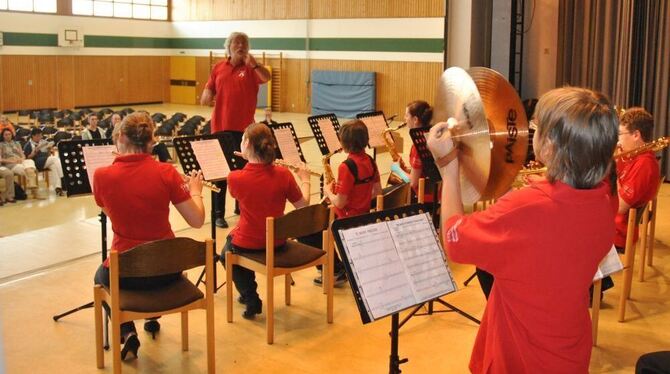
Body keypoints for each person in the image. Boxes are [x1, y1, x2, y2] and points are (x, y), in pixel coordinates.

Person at [427, 87, 619, 373]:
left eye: (536, 126)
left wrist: (449, 167)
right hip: (569, 348)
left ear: (550, 145)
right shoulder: (606, 199)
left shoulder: (526, 207)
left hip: (520, 355)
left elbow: (455, 238)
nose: (533, 131)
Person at [92, 112, 205, 360]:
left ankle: (126, 330)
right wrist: (195, 190)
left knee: (100, 276)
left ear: (120, 137)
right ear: (151, 141)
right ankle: (152, 316)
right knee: (153, 258)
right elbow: (196, 221)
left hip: (126, 274)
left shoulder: (101, 175)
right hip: (167, 270)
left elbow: (108, 210)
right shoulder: (167, 172)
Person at [221, 122, 311, 319]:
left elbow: (245, 190)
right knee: (236, 243)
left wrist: (248, 162)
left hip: (248, 242)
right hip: (277, 241)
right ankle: (249, 293)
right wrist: (305, 179)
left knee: (225, 253)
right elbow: (303, 206)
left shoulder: (235, 177)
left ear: (247, 145)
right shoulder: (283, 174)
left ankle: (250, 296)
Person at [200, 31, 271, 228]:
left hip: (244, 130)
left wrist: (254, 64)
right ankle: (218, 214)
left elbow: (266, 77)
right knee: (220, 174)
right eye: (237, 43)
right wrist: (206, 94)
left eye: (244, 43)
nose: (241, 46)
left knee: (244, 172)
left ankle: (241, 207)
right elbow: (209, 89)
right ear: (229, 47)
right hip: (220, 127)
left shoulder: (251, 68)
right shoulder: (218, 68)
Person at [317, 119, 382, 286]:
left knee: (315, 224)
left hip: (347, 218)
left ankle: (337, 271)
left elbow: (339, 203)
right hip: (364, 214)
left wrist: (328, 191)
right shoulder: (370, 160)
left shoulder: (346, 166)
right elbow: (377, 192)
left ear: (343, 142)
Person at [614, 107, 660, 250]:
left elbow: (620, 207)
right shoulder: (633, 156)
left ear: (636, 135)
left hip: (617, 231)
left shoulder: (644, 164)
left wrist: (610, 173)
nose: (618, 140)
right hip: (611, 221)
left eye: (620, 134)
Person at [23, 128, 64, 196]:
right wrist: (35, 152)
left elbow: (47, 155)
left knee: (54, 166)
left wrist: (48, 149)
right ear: (33, 136)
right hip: (36, 162)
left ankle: (58, 187)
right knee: (55, 159)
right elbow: (27, 158)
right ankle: (62, 177)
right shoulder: (28, 145)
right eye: (38, 136)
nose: (40, 137)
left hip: (45, 160)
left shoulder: (43, 142)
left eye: (41, 135)